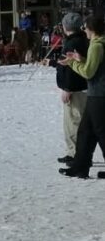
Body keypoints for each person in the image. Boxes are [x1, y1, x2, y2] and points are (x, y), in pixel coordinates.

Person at [59, 15, 105, 179]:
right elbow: (95, 65)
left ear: (92, 29)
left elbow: (88, 72)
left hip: (99, 95)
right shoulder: (98, 43)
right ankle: (80, 167)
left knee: (100, 132)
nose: (84, 29)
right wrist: (81, 58)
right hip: (96, 94)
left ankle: (80, 166)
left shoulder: (97, 46)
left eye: (85, 27)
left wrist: (72, 63)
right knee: (86, 132)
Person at [51, 12, 88, 166]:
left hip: (75, 90)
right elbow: (65, 63)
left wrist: (68, 89)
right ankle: (77, 153)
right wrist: (53, 62)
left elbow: (71, 69)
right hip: (83, 88)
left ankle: (75, 154)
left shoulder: (72, 43)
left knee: (73, 123)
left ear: (66, 26)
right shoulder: (82, 40)